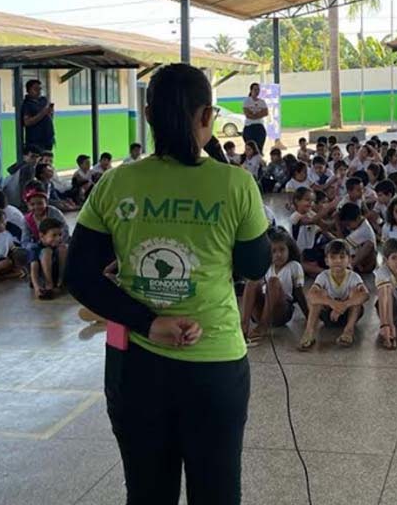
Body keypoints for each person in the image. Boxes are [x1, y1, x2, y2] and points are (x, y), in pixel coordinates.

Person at [65, 64, 272, 505]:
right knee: (215, 493)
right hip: (213, 364)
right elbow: (255, 265)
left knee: (147, 493)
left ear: (147, 115)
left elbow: (80, 275)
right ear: (207, 117)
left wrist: (147, 321)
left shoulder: (117, 180)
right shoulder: (235, 182)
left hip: (134, 365)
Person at [299, 240, 369, 351]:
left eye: (342, 257)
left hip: (348, 315)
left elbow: (365, 295)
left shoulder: (353, 276)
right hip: (327, 315)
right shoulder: (323, 276)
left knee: (356, 293)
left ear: (349, 260)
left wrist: (344, 305)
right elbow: (310, 295)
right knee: (319, 294)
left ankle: (348, 331)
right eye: (333, 257)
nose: (338, 261)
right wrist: (333, 304)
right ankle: (309, 332)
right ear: (327, 261)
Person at [241, 228, 303, 343]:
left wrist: (310, 318)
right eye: (273, 251)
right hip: (262, 308)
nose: (278, 254)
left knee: (273, 281)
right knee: (252, 282)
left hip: (281, 311)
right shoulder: (267, 266)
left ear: (289, 250)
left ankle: (263, 326)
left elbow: (299, 293)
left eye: (282, 250)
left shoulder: (294, 266)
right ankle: (244, 325)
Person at [29, 217, 67, 300]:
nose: (58, 238)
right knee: (46, 251)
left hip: (56, 276)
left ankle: (61, 282)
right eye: (54, 235)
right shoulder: (35, 248)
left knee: (63, 248)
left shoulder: (58, 246)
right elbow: (33, 270)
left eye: (60, 235)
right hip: (41, 279)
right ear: (42, 236)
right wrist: (36, 287)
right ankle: (49, 285)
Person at [21, 79, 55, 151]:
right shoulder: (26, 104)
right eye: (35, 89)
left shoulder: (43, 100)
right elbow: (27, 122)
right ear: (28, 90)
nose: (39, 92)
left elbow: (49, 117)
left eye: (40, 89)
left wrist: (50, 113)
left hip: (48, 138)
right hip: (35, 141)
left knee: (47, 160)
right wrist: (43, 113)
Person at [242, 82, 269, 155]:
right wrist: (259, 114)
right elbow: (248, 114)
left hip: (259, 127)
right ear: (251, 90)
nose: (257, 91)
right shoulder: (247, 101)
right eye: (255, 89)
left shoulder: (262, 102)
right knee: (250, 148)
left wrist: (254, 114)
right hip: (249, 127)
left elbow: (266, 113)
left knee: (259, 149)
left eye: (258, 90)